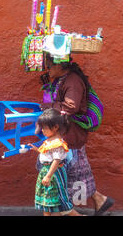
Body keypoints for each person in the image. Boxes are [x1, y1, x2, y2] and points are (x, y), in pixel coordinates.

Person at [39, 53, 114, 215]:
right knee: (78, 172)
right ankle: (100, 200)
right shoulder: (63, 80)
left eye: (50, 66)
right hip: (67, 135)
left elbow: (71, 106)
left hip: (70, 136)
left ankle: (66, 210)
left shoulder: (72, 81)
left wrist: (48, 105)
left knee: (64, 174)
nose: (48, 69)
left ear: (59, 65)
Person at [29, 108, 79, 216]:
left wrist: (48, 175)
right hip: (47, 171)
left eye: (45, 128)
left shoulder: (57, 143)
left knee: (59, 198)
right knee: (46, 198)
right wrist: (36, 150)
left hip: (54, 173)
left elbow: (56, 160)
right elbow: (48, 155)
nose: (42, 130)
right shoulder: (50, 140)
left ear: (56, 127)